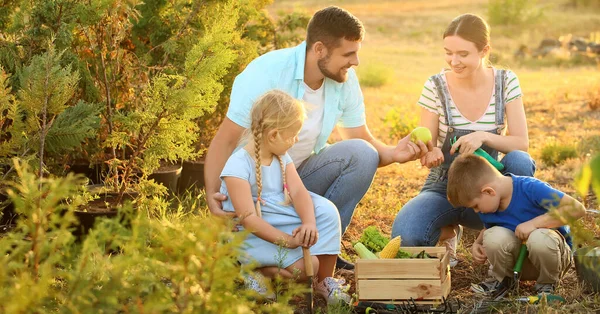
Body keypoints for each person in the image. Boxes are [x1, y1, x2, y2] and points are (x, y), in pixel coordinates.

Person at [205, 6, 431, 270]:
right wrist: (212, 194)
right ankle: (256, 251)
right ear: (320, 49)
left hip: (294, 176)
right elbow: (227, 140)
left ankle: (323, 253)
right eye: (349, 54)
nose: (356, 62)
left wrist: (393, 153)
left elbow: (360, 138)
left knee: (363, 153)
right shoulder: (266, 72)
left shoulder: (343, 79)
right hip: (252, 186)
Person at [391, 13, 536, 267]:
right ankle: (449, 229)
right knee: (408, 236)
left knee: (520, 161)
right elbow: (429, 143)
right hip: (445, 185)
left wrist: (483, 136)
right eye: (448, 52)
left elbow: (521, 142)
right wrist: (431, 152)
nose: (453, 61)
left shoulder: (506, 82)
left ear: (484, 50)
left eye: (463, 54)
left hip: (492, 191)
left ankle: (498, 235)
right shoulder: (435, 85)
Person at [220, 90, 349, 304]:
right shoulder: (238, 165)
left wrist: (308, 222)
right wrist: (288, 242)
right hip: (253, 233)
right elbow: (248, 218)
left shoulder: (281, 157)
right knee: (304, 270)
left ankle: (324, 281)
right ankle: (255, 270)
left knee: (326, 211)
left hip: (277, 215)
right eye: (293, 135)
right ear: (273, 135)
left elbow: (298, 191)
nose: (296, 140)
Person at [446, 154, 585, 294]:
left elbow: (577, 209)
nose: (476, 211)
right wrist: (478, 243)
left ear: (488, 191)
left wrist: (534, 224)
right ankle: (503, 281)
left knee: (539, 237)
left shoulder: (530, 188)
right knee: (494, 235)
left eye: (475, 205)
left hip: (552, 260)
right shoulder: (490, 206)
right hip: (519, 264)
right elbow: (489, 228)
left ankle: (547, 284)